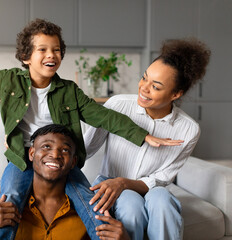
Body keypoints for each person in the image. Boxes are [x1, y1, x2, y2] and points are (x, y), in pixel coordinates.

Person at [0, 19, 182, 240]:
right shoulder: (8, 82)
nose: (51, 55)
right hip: (22, 160)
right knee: (9, 203)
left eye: (56, 49)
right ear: (27, 57)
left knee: (96, 210)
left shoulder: (69, 91)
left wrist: (141, 135)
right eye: (42, 49)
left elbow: (103, 115)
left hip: (60, 163)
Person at [84, 38, 211, 240]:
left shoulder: (189, 129)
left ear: (176, 94)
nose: (144, 88)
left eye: (156, 86)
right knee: (131, 206)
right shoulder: (118, 105)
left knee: (162, 200)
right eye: (144, 78)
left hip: (151, 189)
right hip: (110, 183)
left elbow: (161, 178)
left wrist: (125, 182)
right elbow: (85, 148)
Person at [0, 124, 130, 240]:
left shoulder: (88, 209)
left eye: (65, 150)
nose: (55, 154)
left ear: (73, 162)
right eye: (46, 146)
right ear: (31, 154)